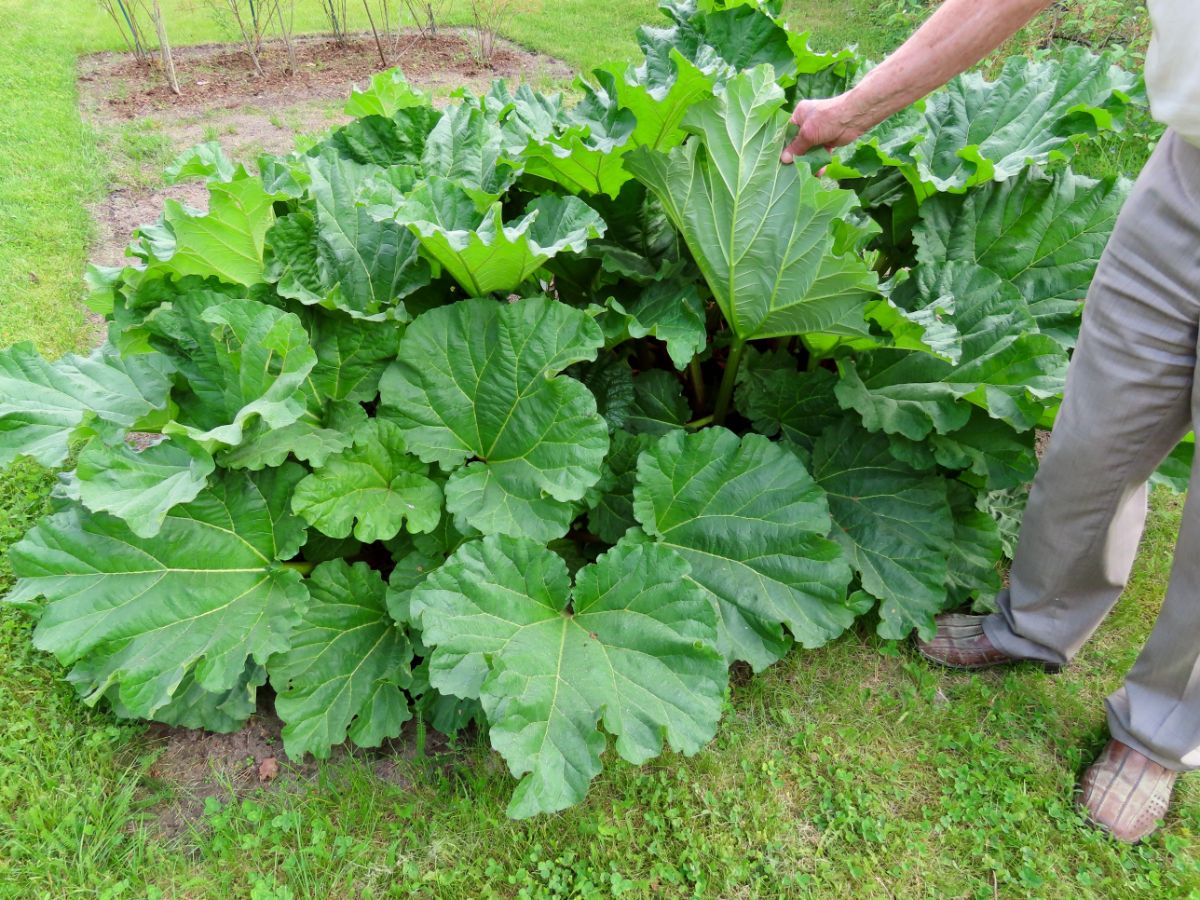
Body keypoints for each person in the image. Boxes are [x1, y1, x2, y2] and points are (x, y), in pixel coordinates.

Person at [781, 0, 1198, 844]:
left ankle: (1159, 729)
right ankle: (1036, 623)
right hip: (1188, 169)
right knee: (1098, 431)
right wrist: (857, 107)